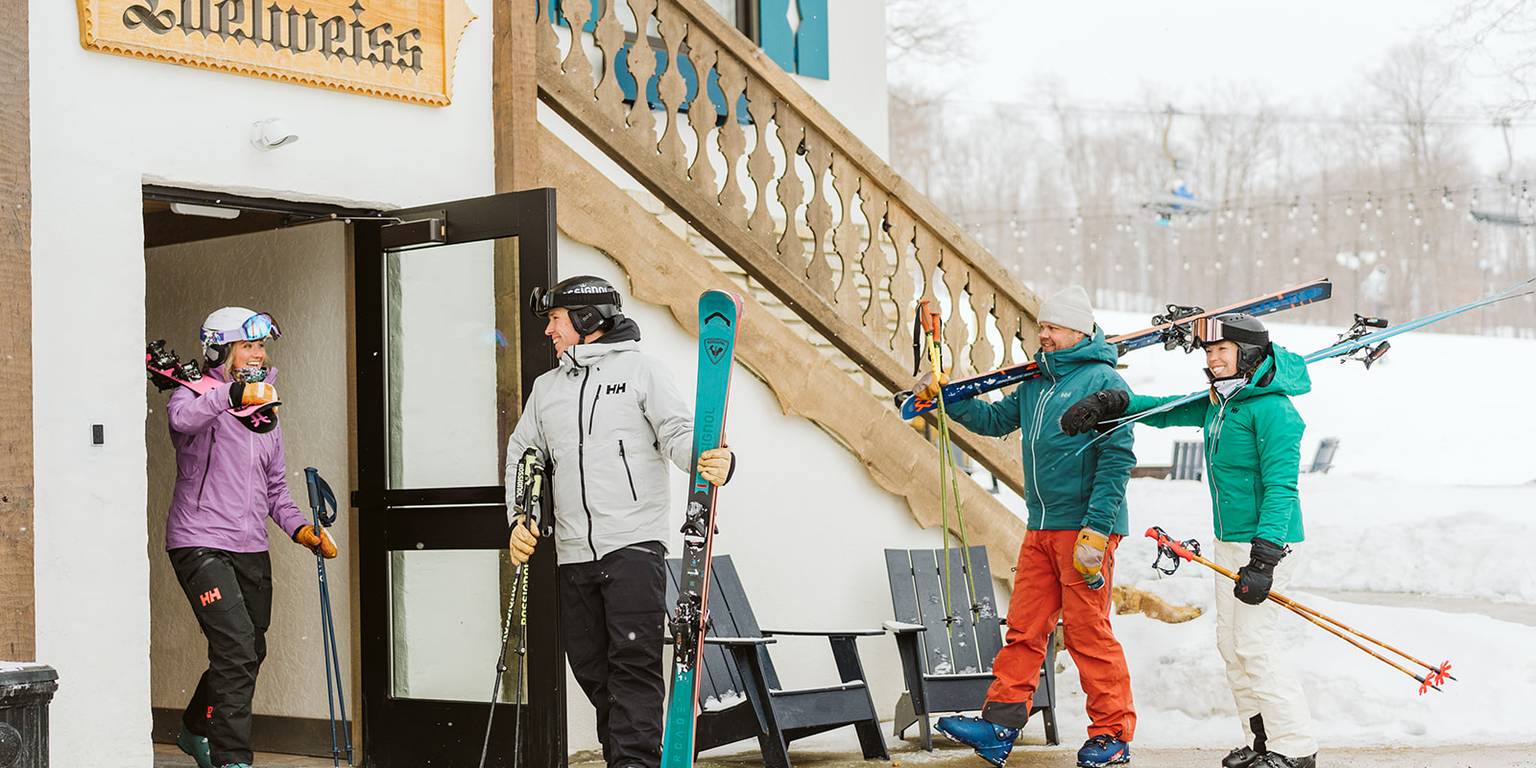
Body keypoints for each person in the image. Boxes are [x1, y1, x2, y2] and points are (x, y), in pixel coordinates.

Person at [1061, 313, 1318, 768]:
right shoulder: (1222, 402)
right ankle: (1261, 740)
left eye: (1222, 351)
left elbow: (1282, 488)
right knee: (1231, 644)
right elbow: (1164, 409)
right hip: (1231, 542)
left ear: (1250, 353)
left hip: (1268, 545)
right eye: (1209, 352)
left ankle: (1295, 748)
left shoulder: (1275, 411)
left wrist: (1264, 558)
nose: (1213, 359)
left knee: (1257, 645)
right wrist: (1113, 402)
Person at [504, 276, 734, 768]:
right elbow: (525, 455)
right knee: (591, 668)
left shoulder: (642, 372)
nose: (549, 332)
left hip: (632, 546)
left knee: (633, 665)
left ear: (587, 320)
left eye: (556, 320)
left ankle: (633, 763)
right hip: (572, 552)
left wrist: (708, 458)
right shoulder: (547, 390)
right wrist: (521, 518)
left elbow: (677, 430)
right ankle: (626, 756)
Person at [921, 286, 1137, 768]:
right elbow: (995, 419)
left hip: (1084, 529)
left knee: (1087, 633)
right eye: (1042, 327)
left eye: (1053, 328)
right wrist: (947, 396)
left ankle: (1113, 733)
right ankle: (999, 725)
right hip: (1040, 524)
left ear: (1079, 330)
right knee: (1024, 628)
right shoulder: (1037, 381)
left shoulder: (1104, 383)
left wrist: (1097, 530)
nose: (1044, 335)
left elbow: (1117, 460)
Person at [165, 307, 337, 768]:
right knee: (237, 646)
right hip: (200, 542)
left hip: (250, 547)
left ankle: (197, 727)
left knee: (248, 648)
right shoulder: (194, 394)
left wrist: (302, 529)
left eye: (261, 346)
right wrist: (230, 393)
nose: (258, 353)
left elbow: (275, 488)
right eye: (247, 345)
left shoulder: (265, 414)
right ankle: (232, 759)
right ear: (221, 351)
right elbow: (183, 422)